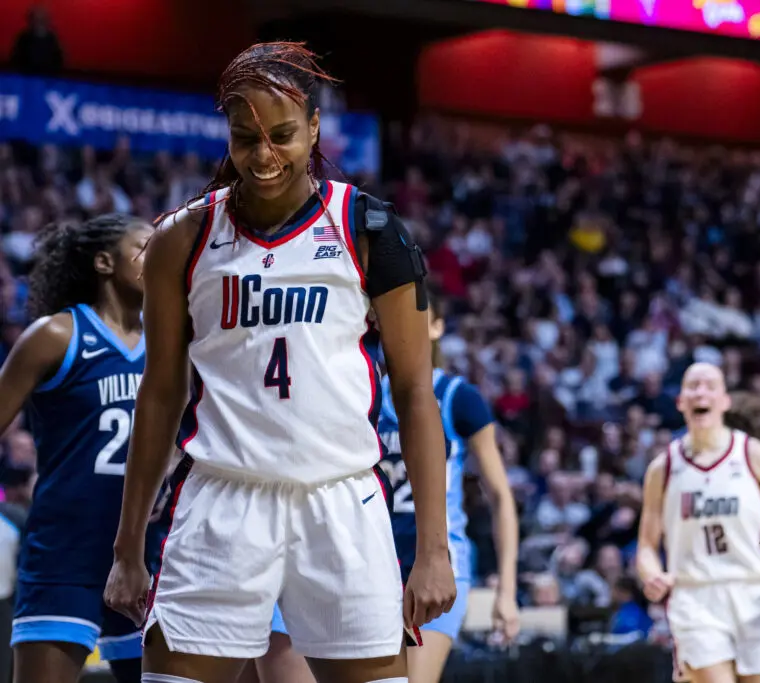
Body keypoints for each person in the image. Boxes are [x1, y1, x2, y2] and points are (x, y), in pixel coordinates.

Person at [103, 42, 456, 683]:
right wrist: (128, 546)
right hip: (220, 499)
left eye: (283, 135)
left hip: (342, 498)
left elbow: (414, 393)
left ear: (316, 126)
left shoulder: (369, 228)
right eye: (246, 138)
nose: (264, 156)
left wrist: (434, 548)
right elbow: (158, 395)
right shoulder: (182, 238)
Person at [0, 214, 154, 683]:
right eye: (145, 247)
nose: (158, 257)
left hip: (146, 550)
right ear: (104, 262)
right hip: (66, 548)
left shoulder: (169, 344)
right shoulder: (56, 336)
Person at [377, 289, 520, 683]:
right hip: (373, 560)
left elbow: (501, 498)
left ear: (437, 327)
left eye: (417, 316)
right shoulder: (363, 391)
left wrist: (507, 592)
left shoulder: (459, 397)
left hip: (438, 561)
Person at [636, 363, 760, 683]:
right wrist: (652, 574)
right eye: (693, 386)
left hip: (753, 593)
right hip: (695, 596)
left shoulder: (753, 455)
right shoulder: (664, 467)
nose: (701, 392)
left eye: (710, 385)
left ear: (725, 401)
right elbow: (646, 545)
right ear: (680, 401)